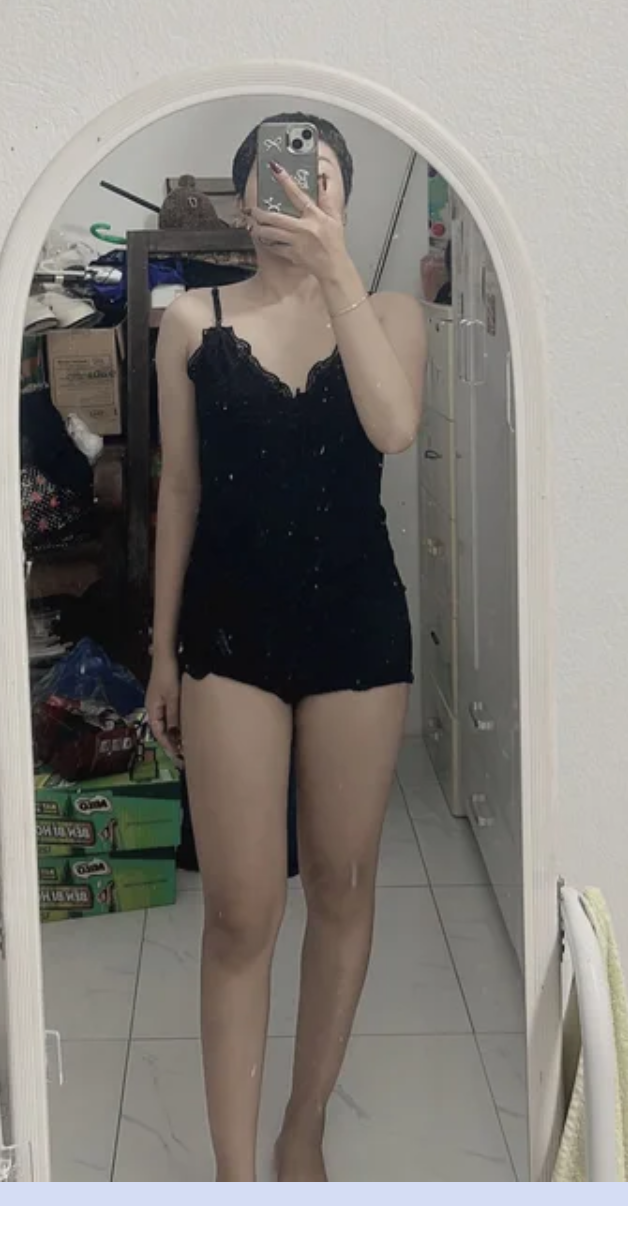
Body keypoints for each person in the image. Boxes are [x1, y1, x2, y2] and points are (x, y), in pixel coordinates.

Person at [146, 113, 425, 1181]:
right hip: (229, 635)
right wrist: (161, 652)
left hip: (357, 629)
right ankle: (234, 1182)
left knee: (343, 885)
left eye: (316, 178)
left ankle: (301, 1128)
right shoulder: (191, 320)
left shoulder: (390, 313)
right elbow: (179, 491)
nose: (293, 193)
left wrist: (335, 268)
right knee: (240, 909)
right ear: (242, 197)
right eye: (272, 177)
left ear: (342, 193)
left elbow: (393, 427)